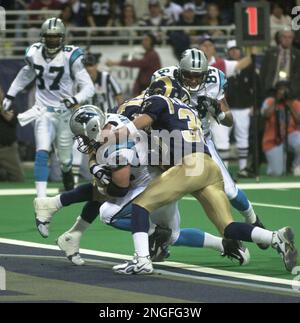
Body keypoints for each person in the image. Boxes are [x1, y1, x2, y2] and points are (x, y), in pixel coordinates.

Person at [110, 76, 298, 275]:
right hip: (209, 167)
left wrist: (117, 133)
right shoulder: (188, 111)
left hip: (191, 166)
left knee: (141, 205)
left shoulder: (161, 101)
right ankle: (275, 237)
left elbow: (142, 121)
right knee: (228, 227)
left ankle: (141, 261)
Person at [34, 105, 250, 266]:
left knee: (109, 211)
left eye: (83, 135)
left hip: (152, 179)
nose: (81, 141)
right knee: (172, 235)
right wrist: (96, 168)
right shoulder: (111, 122)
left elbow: (120, 187)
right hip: (160, 172)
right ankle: (223, 244)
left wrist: (101, 176)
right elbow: (98, 148)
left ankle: (152, 238)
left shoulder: (115, 146)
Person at [151, 48, 268, 251]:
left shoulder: (215, 79)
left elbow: (229, 120)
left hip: (201, 141)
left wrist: (218, 111)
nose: (194, 80)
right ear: (180, 71)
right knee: (160, 194)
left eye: (199, 75)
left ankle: (253, 220)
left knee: (230, 192)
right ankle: (160, 238)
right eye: (189, 74)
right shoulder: (163, 79)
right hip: (170, 143)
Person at [2, 17, 95, 197]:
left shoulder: (70, 56)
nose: (52, 40)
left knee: (65, 161)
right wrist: (10, 94)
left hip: (65, 114)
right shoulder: (34, 53)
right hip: (43, 111)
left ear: (62, 38)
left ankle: (68, 179)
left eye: (56, 37)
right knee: (42, 150)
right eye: (49, 37)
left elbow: (89, 87)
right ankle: (41, 197)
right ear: (42, 37)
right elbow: (25, 74)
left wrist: (75, 98)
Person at [261, 81, 300, 176]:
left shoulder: (295, 103)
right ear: (276, 91)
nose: (283, 92)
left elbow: (299, 121)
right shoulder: (269, 101)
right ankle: (276, 165)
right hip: (273, 139)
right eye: (280, 90)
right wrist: (276, 101)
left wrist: (289, 105)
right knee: (277, 172)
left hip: (290, 135)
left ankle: (296, 166)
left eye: (285, 89)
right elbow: (265, 115)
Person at [0, 86, 24, 182]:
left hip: (8, 148)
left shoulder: (10, 105)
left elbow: (11, 119)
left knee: (18, 178)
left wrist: (1, 108)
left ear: (2, 93)